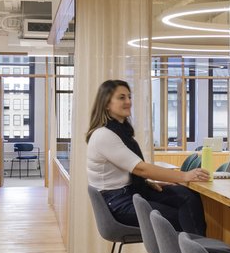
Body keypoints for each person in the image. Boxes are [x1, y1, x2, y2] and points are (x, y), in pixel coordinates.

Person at [85, 78, 210, 234]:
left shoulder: (120, 132)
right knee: (178, 217)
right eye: (121, 97)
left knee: (187, 195)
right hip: (118, 202)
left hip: (129, 192)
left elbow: (129, 172)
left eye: (129, 97)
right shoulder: (104, 135)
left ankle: (201, 252)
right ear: (106, 104)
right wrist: (184, 176)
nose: (128, 101)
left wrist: (148, 183)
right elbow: (141, 169)